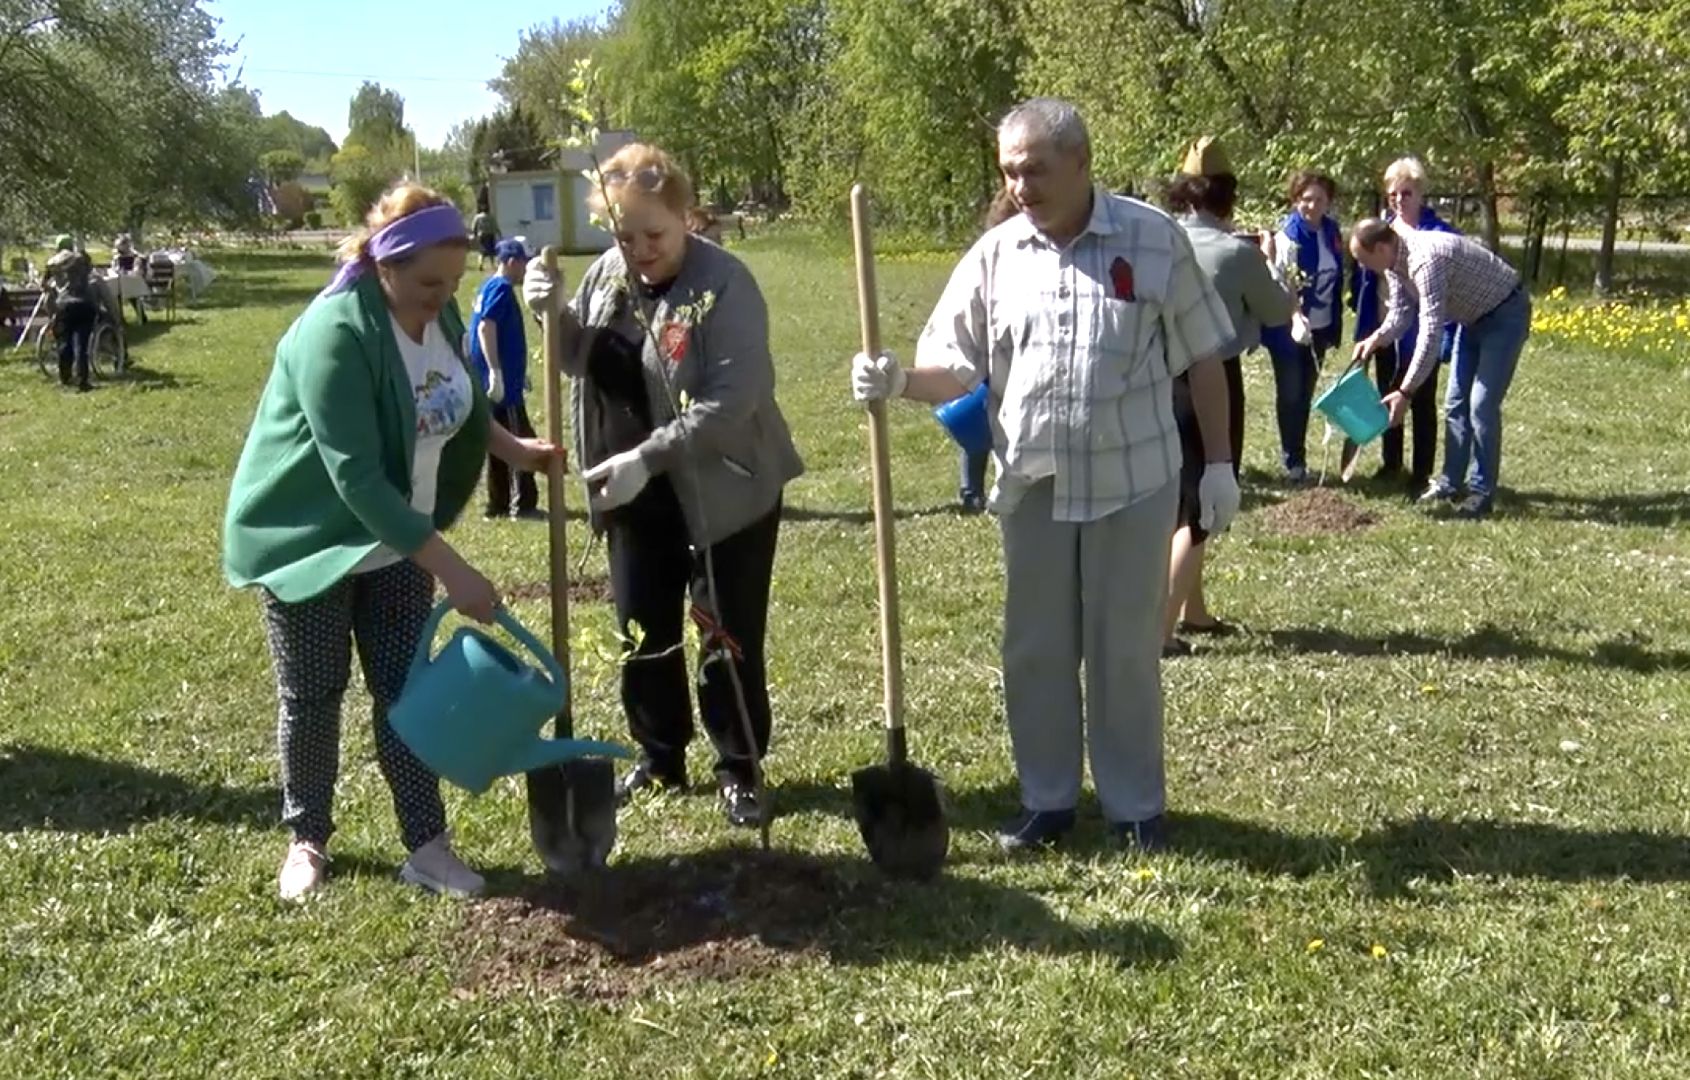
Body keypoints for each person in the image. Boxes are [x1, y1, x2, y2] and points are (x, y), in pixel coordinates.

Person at [851, 98, 1240, 852]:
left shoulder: (1152, 240)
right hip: (1034, 484)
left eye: (1034, 169)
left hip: (1135, 479)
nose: (1019, 185)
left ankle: (1134, 809)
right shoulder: (997, 257)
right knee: (1035, 647)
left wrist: (1219, 464)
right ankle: (1047, 801)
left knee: (1124, 647)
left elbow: (1205, 355)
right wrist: (897, 377)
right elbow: (954, 363)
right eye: (1009, 171)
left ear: (1081, 162)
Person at [222, 182, 563, 901]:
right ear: (386, 264)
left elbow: (454, 397)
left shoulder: (435, 318)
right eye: (428, 282)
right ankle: (306, 838)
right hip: (310, 540)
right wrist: (457, 571)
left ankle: (426, 846)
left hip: (399, 540)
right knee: (313, 696)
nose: (443, 296)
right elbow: (357, 481)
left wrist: (513, 449)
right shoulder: (335, 335)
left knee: (406, 693)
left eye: (453, 282)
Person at [521, 143, 804, 829]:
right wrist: (549, 313)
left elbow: (734, 397)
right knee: (642, 628)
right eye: (624, 235)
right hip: (633, 490)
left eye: (655, 234)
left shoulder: (723, 284)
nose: (641, 249)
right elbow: (577, 359)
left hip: (723, 490)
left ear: (686, 215)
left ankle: (739, 766)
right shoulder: (608, 277)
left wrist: (651, 456)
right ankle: (660, 756)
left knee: (723, 633)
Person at [1163, 137, 1294, 655]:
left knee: (1178, 501)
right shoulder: (1238, 252)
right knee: (1202, 510)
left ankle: (1193, 611)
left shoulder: (1163, 240)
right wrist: (1274, 261)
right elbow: (1279, 311)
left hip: (1159, 380)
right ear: (1227, 195)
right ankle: (1161, 629)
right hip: (1212, 380)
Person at [1349, 218, 1530, 520]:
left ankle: (1481, 492)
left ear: (1380, 248)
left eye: (1364, 259)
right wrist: (1376, 339)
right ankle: (1449, 482)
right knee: (1455, 404)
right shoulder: (1393, 263)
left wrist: (1405, 391)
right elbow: (1401, 313)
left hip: (1505, 314)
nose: (1364, 266)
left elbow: (1430, 333)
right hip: (1471, 321)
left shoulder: (1425, 260)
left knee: (1481, 406)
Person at [1348, 157, 1465, 491]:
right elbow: (1363, 281)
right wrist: (1370, 330)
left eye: (1407, 193)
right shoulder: (1379, 232)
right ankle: (1391, 462)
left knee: (1420, 400)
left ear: (1420, 194)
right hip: (1388, 325)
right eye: (1393, 194)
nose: (1400, 200)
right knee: (1387, 395)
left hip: (1422, 332)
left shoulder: (1438, 234)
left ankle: (1421, 471)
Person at [1263, 171, 1343, 482]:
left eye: (1318, 199)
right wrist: (1296, 316)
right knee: (1291, 393)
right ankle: (1292, 461)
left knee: (1307, 394)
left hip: (1320, 326)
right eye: (1305, 199)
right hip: (1289, 328)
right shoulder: (1289, 236)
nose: (1311, 205)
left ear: (1328, 202)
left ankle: (1299, 456)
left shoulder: (1331, 231)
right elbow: (1284, 283)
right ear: (1296, 200)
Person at [956, 187, 1022, 513]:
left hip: (1011, 364)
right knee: (976, 428)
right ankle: (971, 491)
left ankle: (991, 488)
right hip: (986, 363)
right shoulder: (988, 261)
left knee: (999, 427)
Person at [469, 237, 542, 521]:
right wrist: (496, 371)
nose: (525, 270)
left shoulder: (488, 285)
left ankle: (497, 504)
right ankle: (521, 505)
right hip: (502, 387)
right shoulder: (501, 289)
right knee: (519, 442)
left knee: (498, 442)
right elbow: (486, 327)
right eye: (524, 263)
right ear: (512, 262)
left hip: (502, 380)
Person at [44, 235, 97, 392]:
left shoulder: (56, 264)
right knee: (81, 344)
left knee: (64, 343)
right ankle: (82, 380)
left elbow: (45, 285)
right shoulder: (82, 263)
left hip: (64, 305)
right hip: (84, 304)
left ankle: (65, 377)